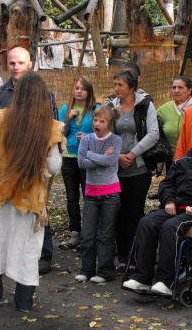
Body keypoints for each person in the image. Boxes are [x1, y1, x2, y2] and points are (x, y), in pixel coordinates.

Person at [0, 72, 65, 312]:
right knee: (26, 249)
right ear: (42, 97)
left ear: (20, 94)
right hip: (30, 200)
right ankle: (23, 303)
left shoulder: (2, 119)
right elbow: (54, 167)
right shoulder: (50, 127)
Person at [123, 127, 192, 294]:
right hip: (175, 208)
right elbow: (167, 184)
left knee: (171, 227)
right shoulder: (182, 162)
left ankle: (166, 281)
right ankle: (142, 278)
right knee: (146, 222)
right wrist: (168, 201)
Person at [0, 46, 58, 275]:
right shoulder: (0, 93)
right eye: (12, 63)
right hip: (5, 167)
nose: (16, 67)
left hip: (34, 166)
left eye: (21, 63)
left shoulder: (43, 92)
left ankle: (42, 257)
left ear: (30, 64)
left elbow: (53, 128)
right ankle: (4, 261)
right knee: (5, 214)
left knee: (35, 209)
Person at [106, 68, 159, 273]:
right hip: (115, 169)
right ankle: (122, 257)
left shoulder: (146, 105)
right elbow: (102, 129)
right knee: (118, 214)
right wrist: (117, 156)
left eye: (120, 85)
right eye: (115, 84)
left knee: (134, 214)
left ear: (132, 87)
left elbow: (153, 133)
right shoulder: (111, 105)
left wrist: (133, 154)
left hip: (138, 169)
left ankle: (137, 257)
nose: (116, 88)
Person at [75, 105, 122, 283]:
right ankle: (86, 270)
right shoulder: (86, 139)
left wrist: (90, 155)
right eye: (95, 120)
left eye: (102, 121)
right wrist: (100, 156)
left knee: (106, 235)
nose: (97, 123)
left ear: (109, 124)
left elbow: (111, 161)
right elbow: (81, 163)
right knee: (87, 234)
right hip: (91, 193)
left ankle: (105, 272)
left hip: (110, 193)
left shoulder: (115, 140)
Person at [58, 76, 98, 250]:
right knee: (71, 197)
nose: (79, 91)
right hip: (69, 157)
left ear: (88, 91)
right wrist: (68, 118)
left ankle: (90, 234)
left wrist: (88, 138)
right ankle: (75, 232)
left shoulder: (95, 109)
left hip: (88, 158)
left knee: (89, 197)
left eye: (82, 88)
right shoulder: (66, 109)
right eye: (76, 88)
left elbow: (102, 132)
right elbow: (59, 133)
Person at [156, 75, 192, 169]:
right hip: (172, 162)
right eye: (174, 88)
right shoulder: (164, 109)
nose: (176, 90)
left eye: (180, 87)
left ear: (189, 90)